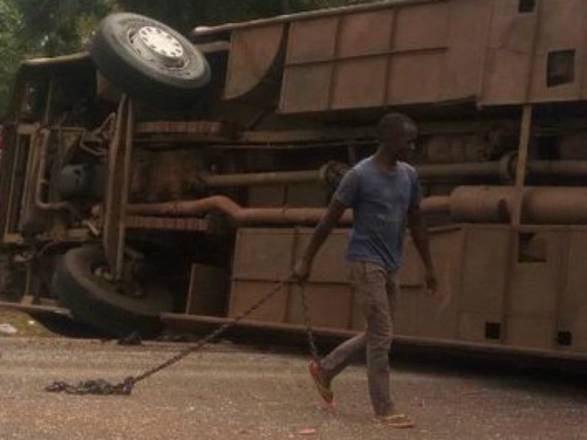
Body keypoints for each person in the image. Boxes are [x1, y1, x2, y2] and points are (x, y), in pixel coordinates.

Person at [292, 112, 437, 428]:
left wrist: (429, 267)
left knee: (379, 332)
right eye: (408, 141)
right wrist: (306, 260)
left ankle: (325, 369)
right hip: (364, 261)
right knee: (381, 335)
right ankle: (384, 408)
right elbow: (329, 220)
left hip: (391, 263)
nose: (413, 147)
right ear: (388, 140)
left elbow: (416, 220)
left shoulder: (409, 175)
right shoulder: (359, 176)